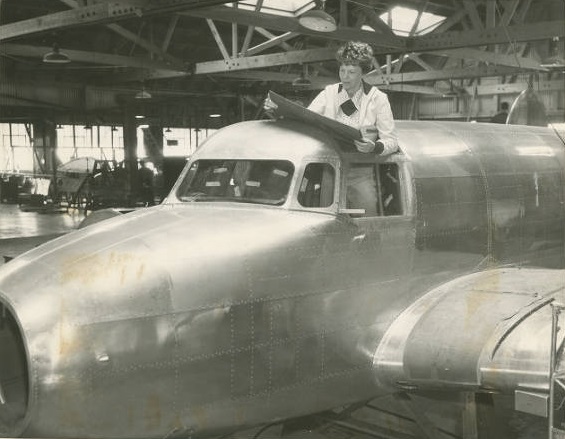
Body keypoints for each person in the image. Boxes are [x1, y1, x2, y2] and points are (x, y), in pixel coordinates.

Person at [265, 41, 398, 155]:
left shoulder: (378, 98)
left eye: (351, 72)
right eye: (342, 70)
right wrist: (277, 110)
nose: (345, 76)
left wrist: (374, 147)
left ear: (362, 73)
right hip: (329, 165)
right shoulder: (329, 93)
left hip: (361, 169)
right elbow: (306, 120)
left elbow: (392, 142)